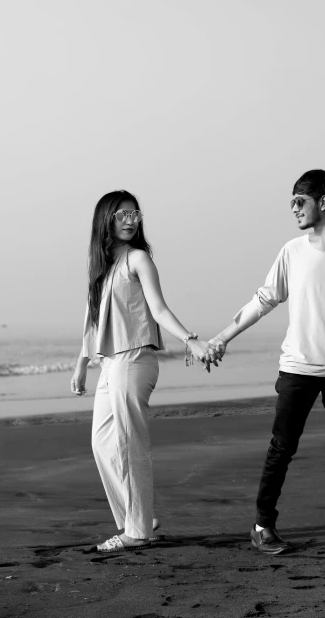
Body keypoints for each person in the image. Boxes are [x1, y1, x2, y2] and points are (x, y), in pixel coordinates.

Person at [207, 170, 325, 555]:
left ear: (323, 202)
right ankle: (262, 526)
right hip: (297, 370)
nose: (293, 209)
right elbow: (263, 300)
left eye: (299, 201)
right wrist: (222, 337)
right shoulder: (292, 251)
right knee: (282, 448)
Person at [71, 190, 211, 552]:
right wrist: (82, 363)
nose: (130, 220)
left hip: (134, 360)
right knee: (102, 443)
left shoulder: (138, 260)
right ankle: (140, 517)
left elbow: (160, 310)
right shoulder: (100, 269)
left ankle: (136, 532)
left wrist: (191, 340)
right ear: (106, 220)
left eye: (134, 213)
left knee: (130, 445)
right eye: (121, 215)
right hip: (111, 364)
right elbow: (92, 320)